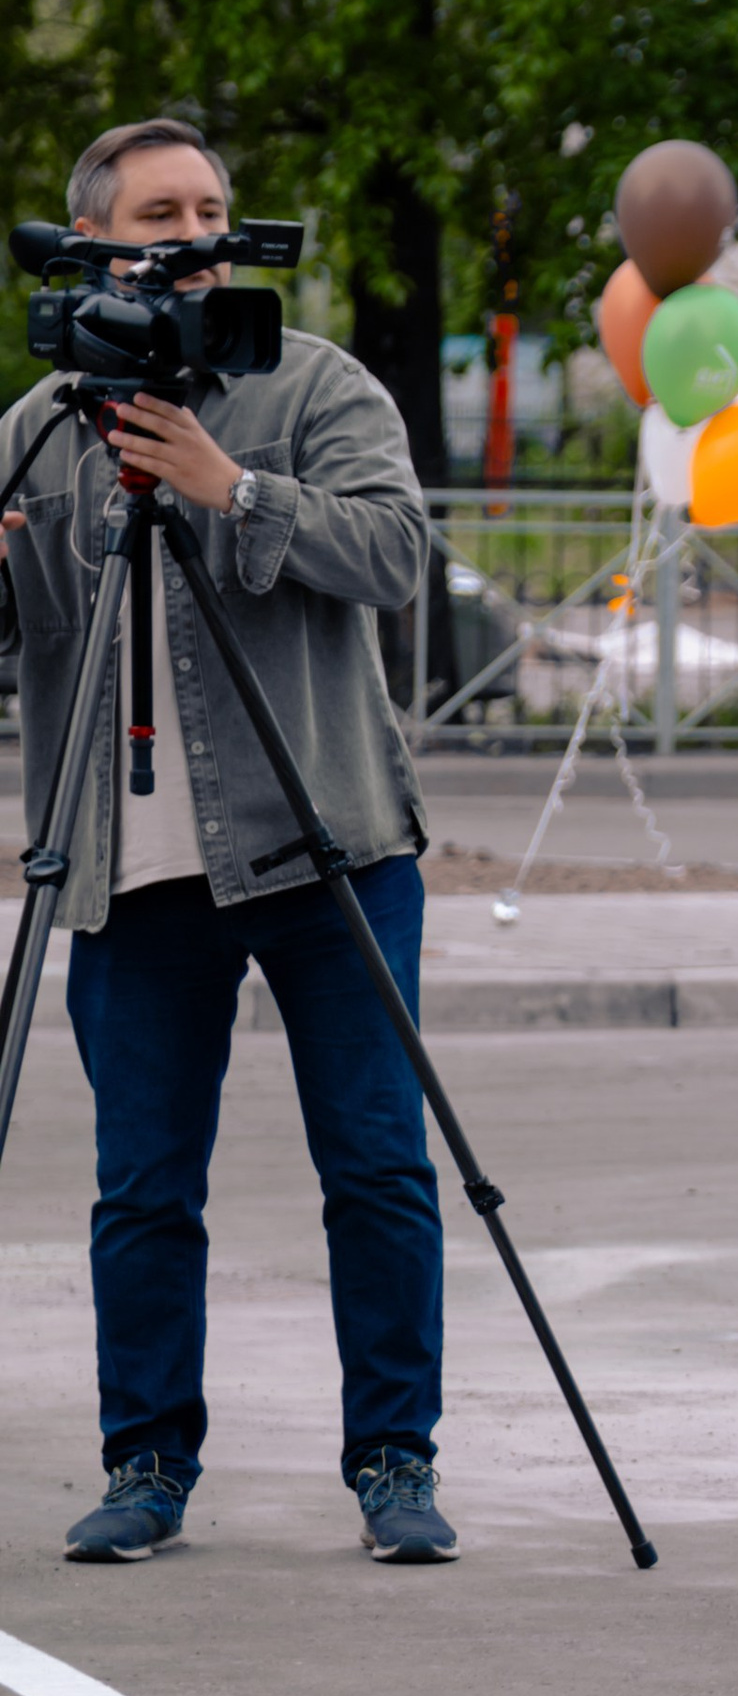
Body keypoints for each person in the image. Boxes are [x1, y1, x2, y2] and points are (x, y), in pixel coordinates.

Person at [0, 118, 452, 1563]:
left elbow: (394, 555)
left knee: (377, 1168)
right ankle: (145, 1465)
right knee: (143, 1183)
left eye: (210, 205)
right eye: (158, 210)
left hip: (328, 847)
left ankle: (395, 1463)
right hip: (130, 873)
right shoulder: (41, 424)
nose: (191, 228)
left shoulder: (315, 383)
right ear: (98, 240)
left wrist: (230, 484)